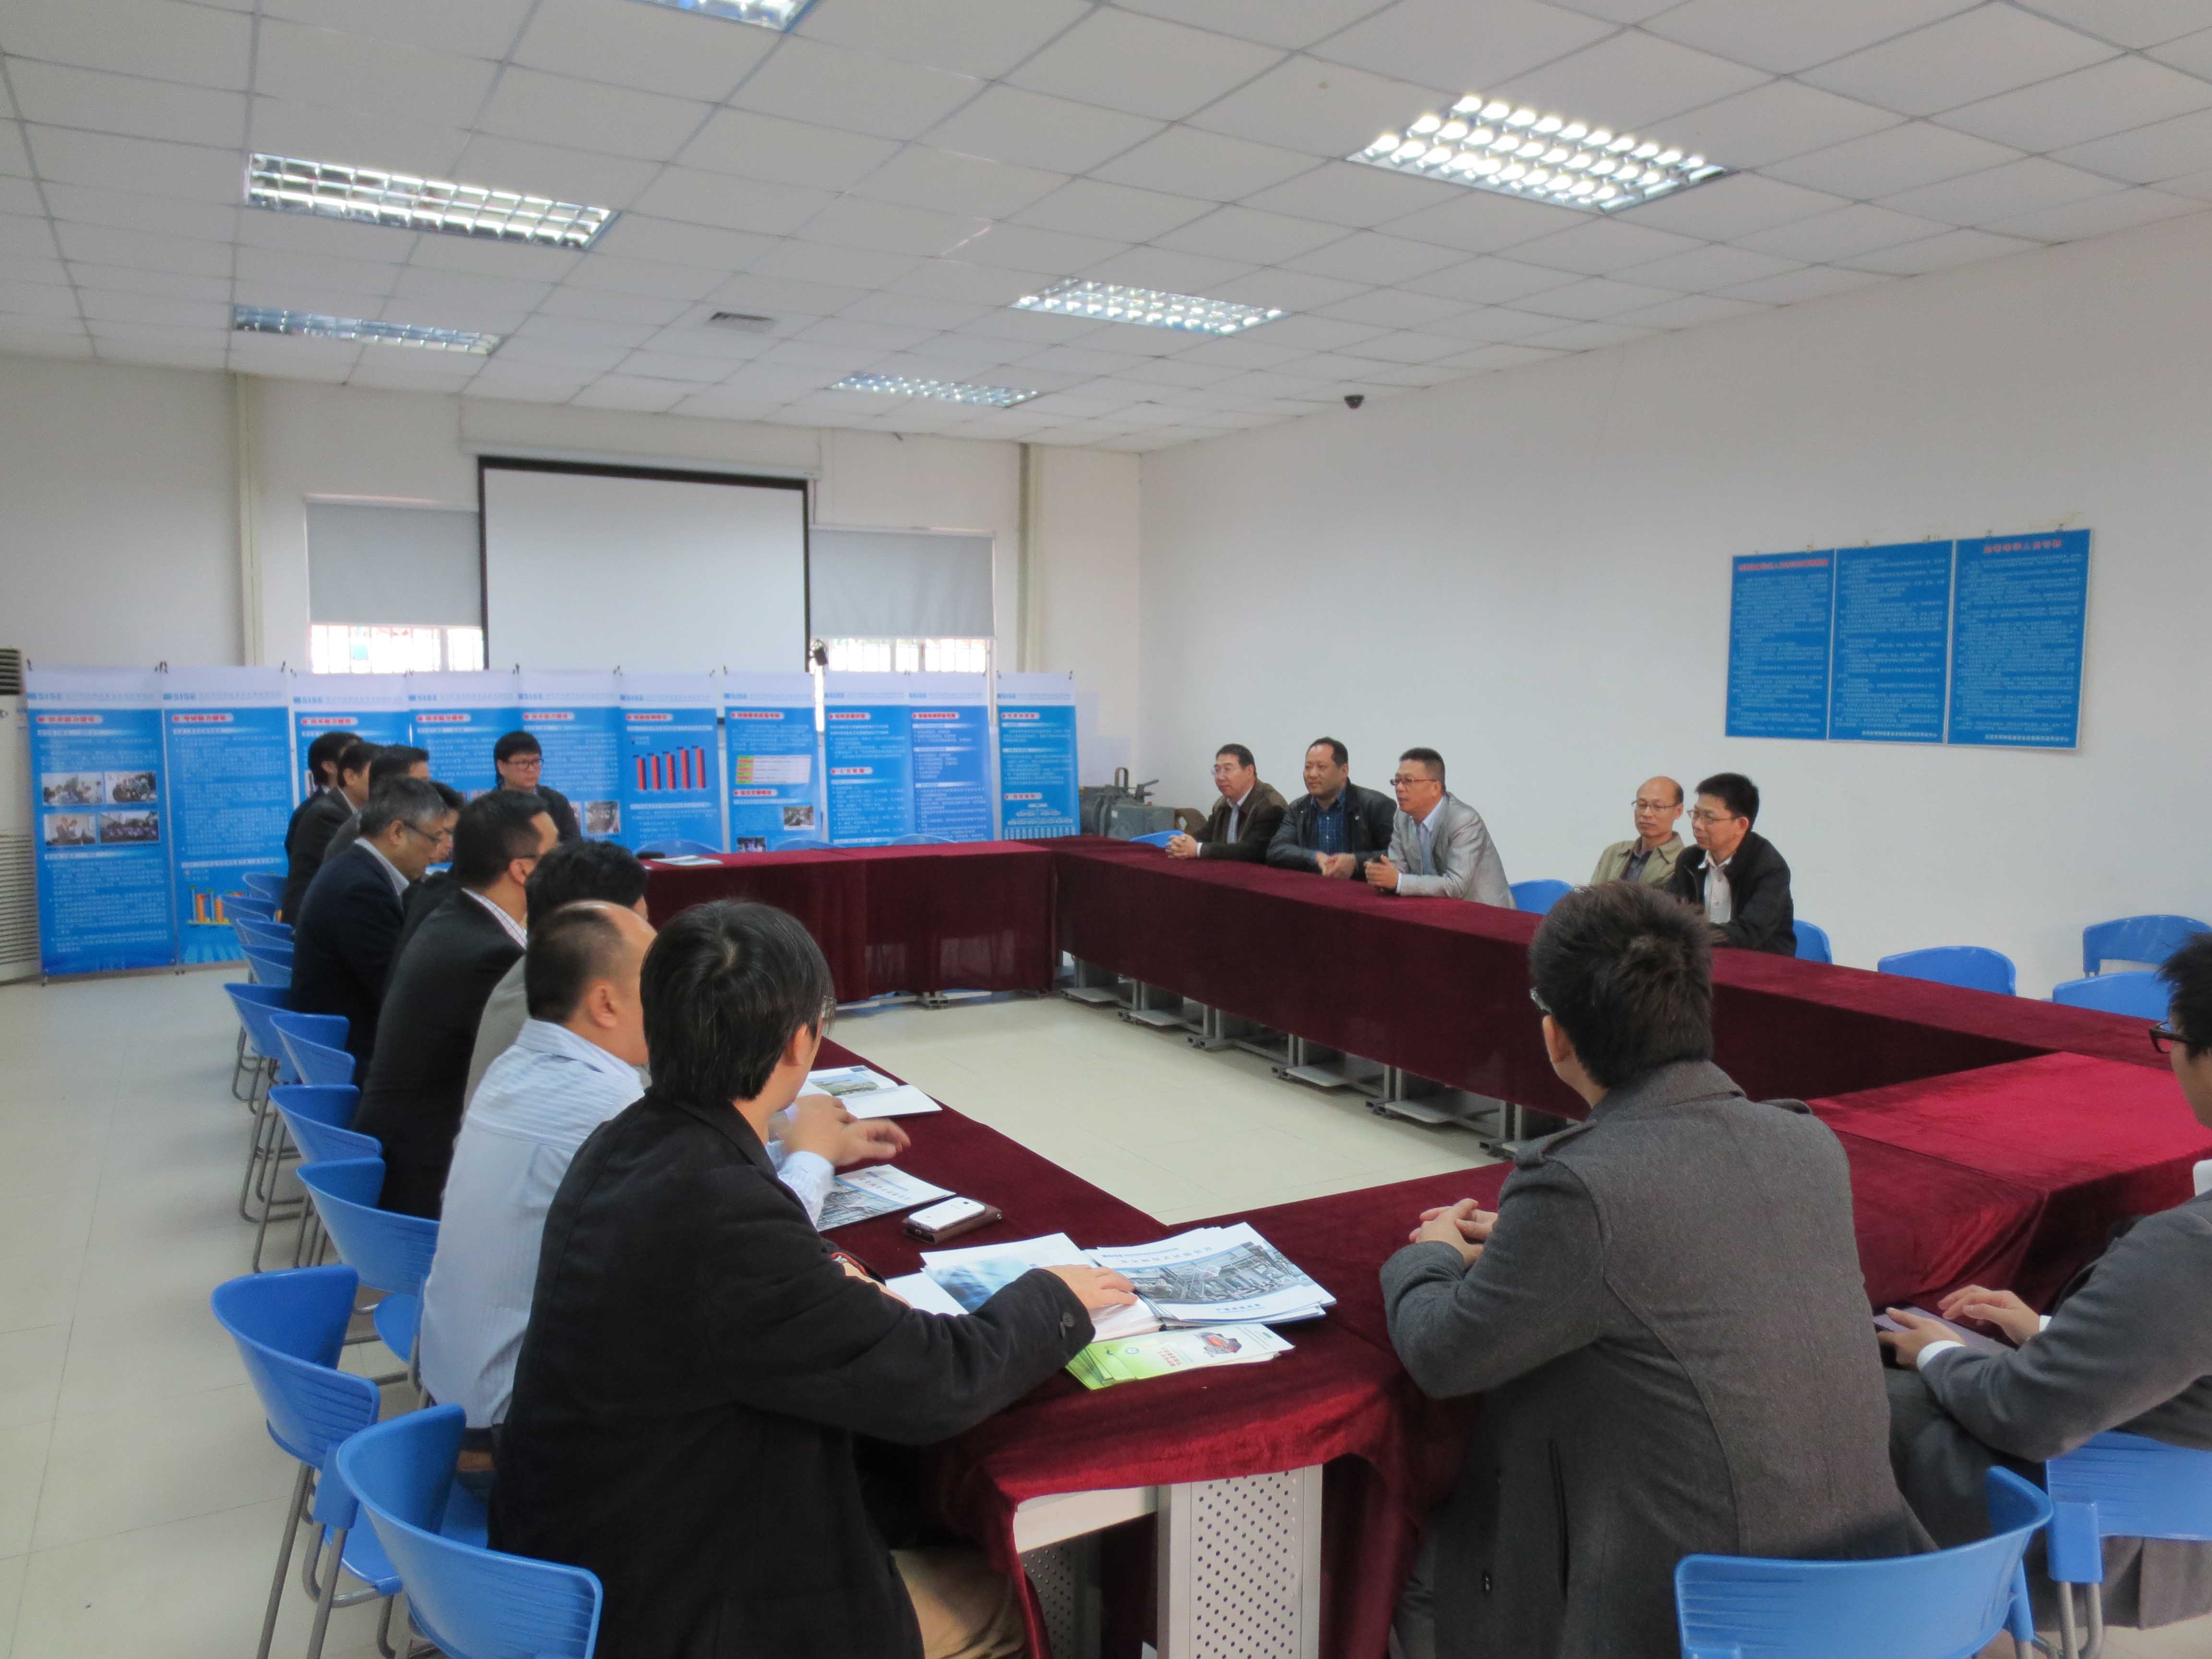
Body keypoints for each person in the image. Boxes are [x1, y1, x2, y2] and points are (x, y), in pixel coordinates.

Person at [493, 900, 1137, 1659]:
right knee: (999, 1596)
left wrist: (834, 1298)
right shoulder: (723, 1211)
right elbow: (938, 1383)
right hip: (664, 1603)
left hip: (580, 1546)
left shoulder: (623, 1140)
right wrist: (1054, 1298)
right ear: (802, 1042)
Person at [1381, 882, 1922, 1659]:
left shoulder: (1579, 1185)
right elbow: (1689, 1236)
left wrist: (1429, 1251)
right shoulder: (1805, 1141)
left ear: (1555, 1036)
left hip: (1715, 1612)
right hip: (1880, 1591)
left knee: (1430, 1576)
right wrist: (1535, 1242)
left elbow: (1443, 1355)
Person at [422, 900, 915, 1470]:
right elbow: (746, 1248)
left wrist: (801, 1146)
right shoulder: (607, 1106)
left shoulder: (523, 1067)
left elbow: (688, 1185)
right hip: (520, 1437)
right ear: (606, 1002)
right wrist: (811, 1160)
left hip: (458, 1400)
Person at [1879, 934, 2212, 1632]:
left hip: (2120, 1526)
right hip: (2184, 1491)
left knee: (1883, 1397)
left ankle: (1937, 1625)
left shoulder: (2189, 1247)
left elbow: (2027, 1415)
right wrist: (2055, 1335)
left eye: (2171, 1038)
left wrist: (1940, 1354)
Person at [353, 791, 558, 1216]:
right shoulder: (489, 956)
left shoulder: (457, 912)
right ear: (523, 870)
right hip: (427, 1177)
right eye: (558, 854)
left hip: (402, 1144)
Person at [465, 839, 652, 1107]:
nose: (649, 944)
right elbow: (649, 1105)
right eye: (641, 926)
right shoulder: (564, 1009)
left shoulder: (539, 973)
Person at [287, 777, 453, 1070]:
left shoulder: (356, 866)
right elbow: (399, 991)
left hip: (340, 1038)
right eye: (435, 838)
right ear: (397, 832)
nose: (437, 851)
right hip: (351, 1054)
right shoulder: (361, 891)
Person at [1664, 771, 1794, 954]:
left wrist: (1689, 934)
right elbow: (1667, 914)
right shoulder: (1690, 859)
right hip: (1702, 959)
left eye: (1709, 818)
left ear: (1741, 825)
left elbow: (1749, 933)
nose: (1697, 825)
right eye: (1696, 814)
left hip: (1760, 963)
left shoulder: (1770, 868)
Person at [1364, 748, 1512, 905]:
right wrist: (1382, 875)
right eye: (1397, 781)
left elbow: (1456, 886)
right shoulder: (1402, 817)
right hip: (1435, 910)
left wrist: (1399, 881)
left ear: (1435, 788)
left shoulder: (1464, 821)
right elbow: (1398, 871)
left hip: (1485, 914)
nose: (1399, 788)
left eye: (1408, 781)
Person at [1266, 737, 1396, 879]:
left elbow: (1397, 855)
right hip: (1314, 887)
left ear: (1344, 770)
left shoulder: (1376, 805)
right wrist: (1315, 857)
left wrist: (1356, 862)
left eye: (1321, 767)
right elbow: (1277, 850)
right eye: (1308, 767)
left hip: (1362, 887)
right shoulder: (1298, 809)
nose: (1312, 774)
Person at [278, 736, 373, 921]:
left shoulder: (343, 807)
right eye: (352, 755)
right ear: (330, 767)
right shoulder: (320, 813)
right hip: (314, 916)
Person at [1165, 745, 1286, 862]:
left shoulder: (1270, 805)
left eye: (1228, 769)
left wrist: (1198, 850)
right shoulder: (1223, 803)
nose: (1220, 777)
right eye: (1217, 770)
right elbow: (1205, 835)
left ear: (1249, 771)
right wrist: (1182, 843)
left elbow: (1253, 851)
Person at [321, 745, 431, 869]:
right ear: (392, 785)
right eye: (422, 783)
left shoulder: (395, 818)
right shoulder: (368, 827)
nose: (429, 790)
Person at [1590, 777, 1684, 887]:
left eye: (1658, 807)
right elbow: (1591, 896)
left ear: (1678, 811)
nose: (1646, 814)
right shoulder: (1613, 853)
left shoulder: (1683, 863)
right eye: (1641, 805)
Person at [494, 730, 581, 843]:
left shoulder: (556, 802)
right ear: (501, 767)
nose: (531, 769)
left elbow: (574, 846)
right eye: (523, 763)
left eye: (536, 761)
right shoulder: (489, 809)